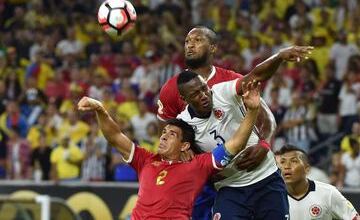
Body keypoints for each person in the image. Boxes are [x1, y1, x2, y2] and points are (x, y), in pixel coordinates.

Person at [158, 25, 312, 219]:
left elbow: (259, 88)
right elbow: (167, 137)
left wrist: (264, 143)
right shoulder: (173, 97)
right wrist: (184, 153)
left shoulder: (226, 85)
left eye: (198, 40)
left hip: (263, 175)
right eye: (187, 41)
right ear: (184, 99)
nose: (190, 45)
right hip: (222, 183)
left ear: (213, 47)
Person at [76, 79, 261, 219]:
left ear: (185, 145)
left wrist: (252, 111)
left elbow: (235, 144)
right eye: (164, 132)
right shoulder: (146, 160)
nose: (163, 135)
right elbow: (115, 137)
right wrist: (100, 110)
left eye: (172, 134)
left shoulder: (198, 165)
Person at [176, 71, 301, 219]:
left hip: (266, 177)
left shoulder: (222, 92)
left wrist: (264, 144)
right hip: (230, 187)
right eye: (195, 94)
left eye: (204, 89)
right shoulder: (182, 125)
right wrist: (187, 159)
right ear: (184, 99)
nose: (203, 95)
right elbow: (182, 158)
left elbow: (256, 75)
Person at [277, 144, 360, 220]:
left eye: (294, 161)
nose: (286, 166)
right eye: (283, 162)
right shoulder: (273, 197)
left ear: (307, 169)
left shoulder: (328, 193)